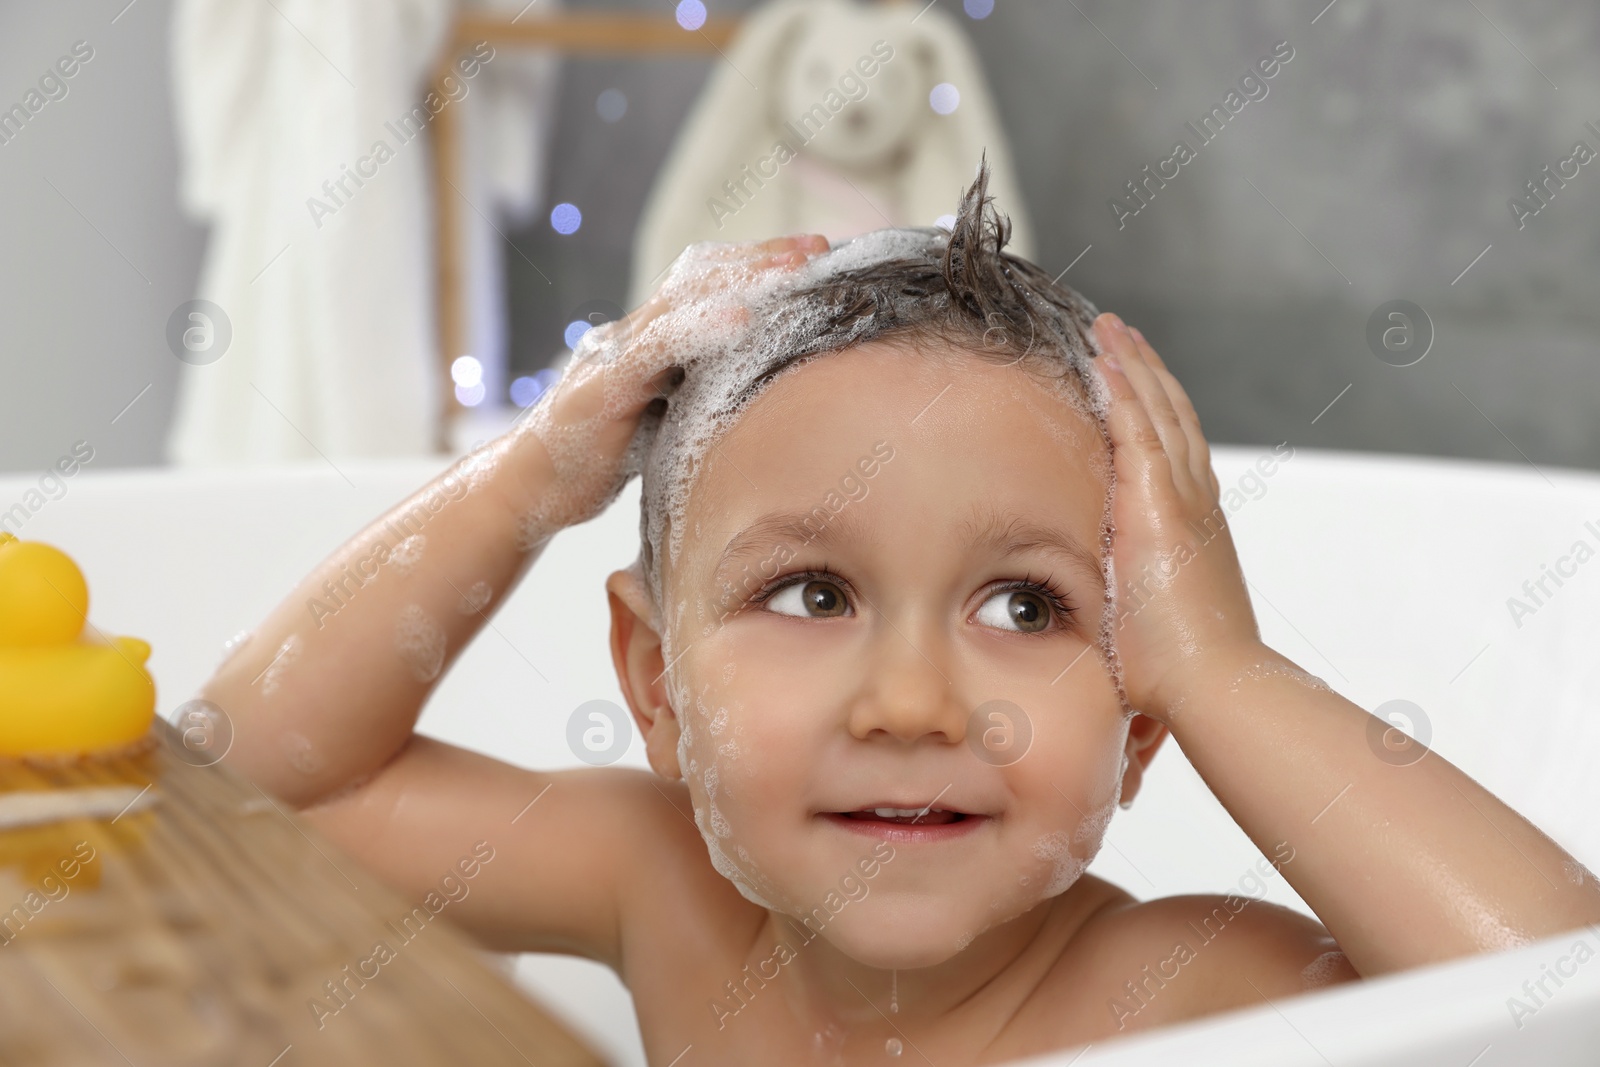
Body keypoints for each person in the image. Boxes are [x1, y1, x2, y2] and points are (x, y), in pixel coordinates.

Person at [203, 165, 1600, 1062]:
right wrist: (525, 478)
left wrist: (1225, 669)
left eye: (1025, 604)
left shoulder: (1171, 993)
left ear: (1142, 728)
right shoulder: (660, 893)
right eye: (812, 592)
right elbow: (232, 801)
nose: (916, 702)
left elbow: (1559, 1005)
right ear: (655, 685)